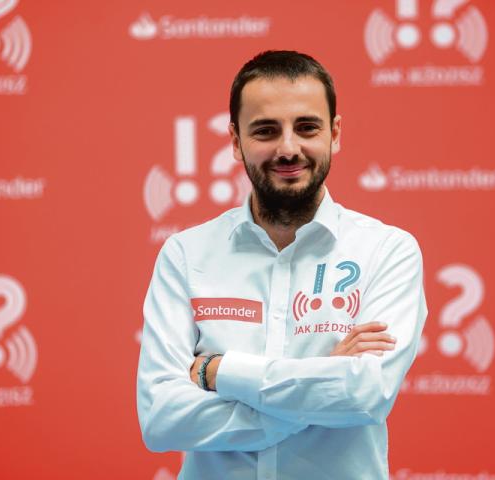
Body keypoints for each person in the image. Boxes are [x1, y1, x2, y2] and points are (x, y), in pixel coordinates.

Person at [137, 50, 428, 480]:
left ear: (335, 133)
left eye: (307, 127)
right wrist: (322, 383)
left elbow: (366, 395)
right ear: (235, 141)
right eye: (266, 131)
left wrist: (219, 371)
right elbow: (162, 420)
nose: (288, 149)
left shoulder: (387, 251)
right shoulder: (185, 254)